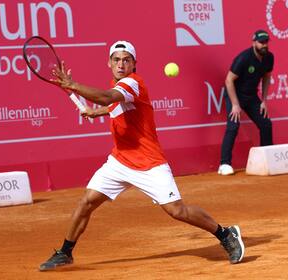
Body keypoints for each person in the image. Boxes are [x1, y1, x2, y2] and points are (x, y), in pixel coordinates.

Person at [39, 41, 245, 271]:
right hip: (120, 161)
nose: (121, 64)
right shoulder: (119, 85)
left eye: (126, 60)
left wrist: (72, 85)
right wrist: (94, 112)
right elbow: (114, 106)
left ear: (134, 64)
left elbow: (108, 98)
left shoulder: (133, 83)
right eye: (116, 59)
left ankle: (226, 234)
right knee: (87, 201)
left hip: (149, 163)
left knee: (178, 211)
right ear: (109, 63)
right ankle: (65, 252)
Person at [218, 30, 274, 176]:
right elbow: (229, 80)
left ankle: (267, 159)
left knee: (266, 124)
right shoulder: (243, 58)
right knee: (233, 126)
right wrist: (235, 104)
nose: (264, 45)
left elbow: (267, 77)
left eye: (266, 42)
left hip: (251, 96)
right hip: (234, 95)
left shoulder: (269, 58)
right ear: (254, 42)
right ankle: (224, 164)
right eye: (261, 42)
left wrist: (264, 100)